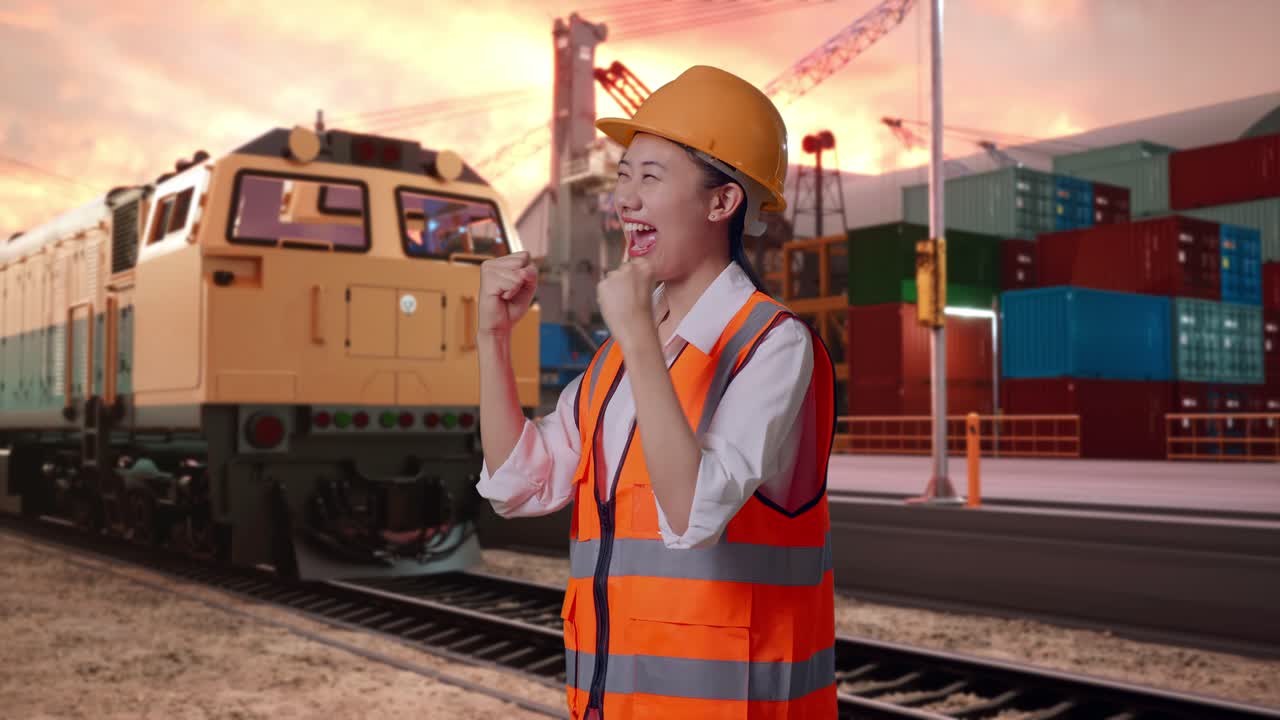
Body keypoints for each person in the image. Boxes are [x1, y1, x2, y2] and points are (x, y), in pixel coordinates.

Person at [475, 65, 837, 720]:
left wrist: (639, 335)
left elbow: (693, 513)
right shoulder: (617, 359)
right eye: (623, 176)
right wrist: (493, 340)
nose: (625, 201)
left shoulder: (773, 346)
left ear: (721, 203)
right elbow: (516, 485)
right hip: (612, 702)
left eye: (650, 177)